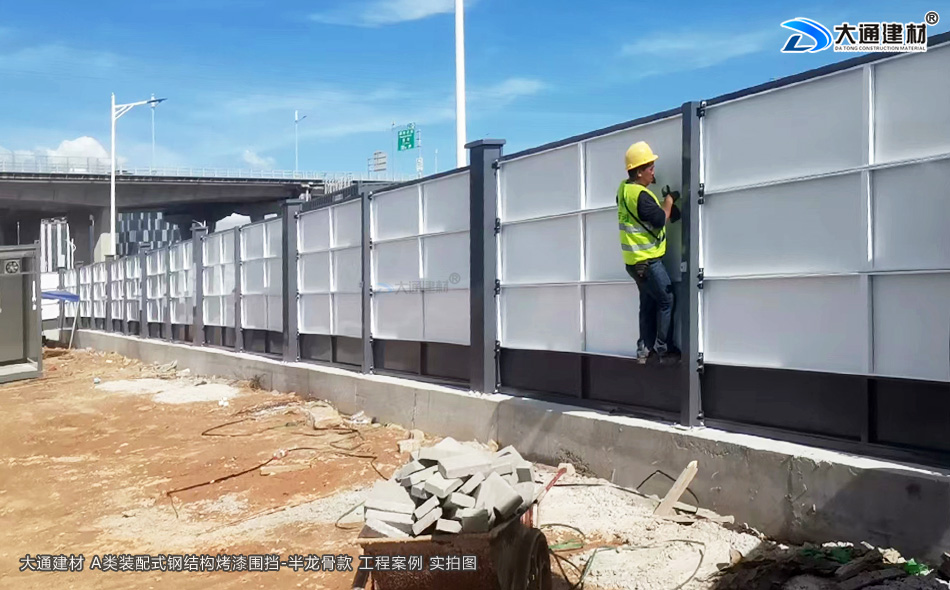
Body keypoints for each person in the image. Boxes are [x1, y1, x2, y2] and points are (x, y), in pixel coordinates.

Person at [617, 141, 681, 364]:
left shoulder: (624, 190)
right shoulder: (641, 196)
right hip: (648, 262)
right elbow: (660, 219)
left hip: (633, 262)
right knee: (666, 300)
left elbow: (645, 216)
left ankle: (644, 349)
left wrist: (664, 207)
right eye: (650, 168)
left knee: (648, 302)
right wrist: (669, 201)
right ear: (638, 171)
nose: (653, 172)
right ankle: (664, 350)